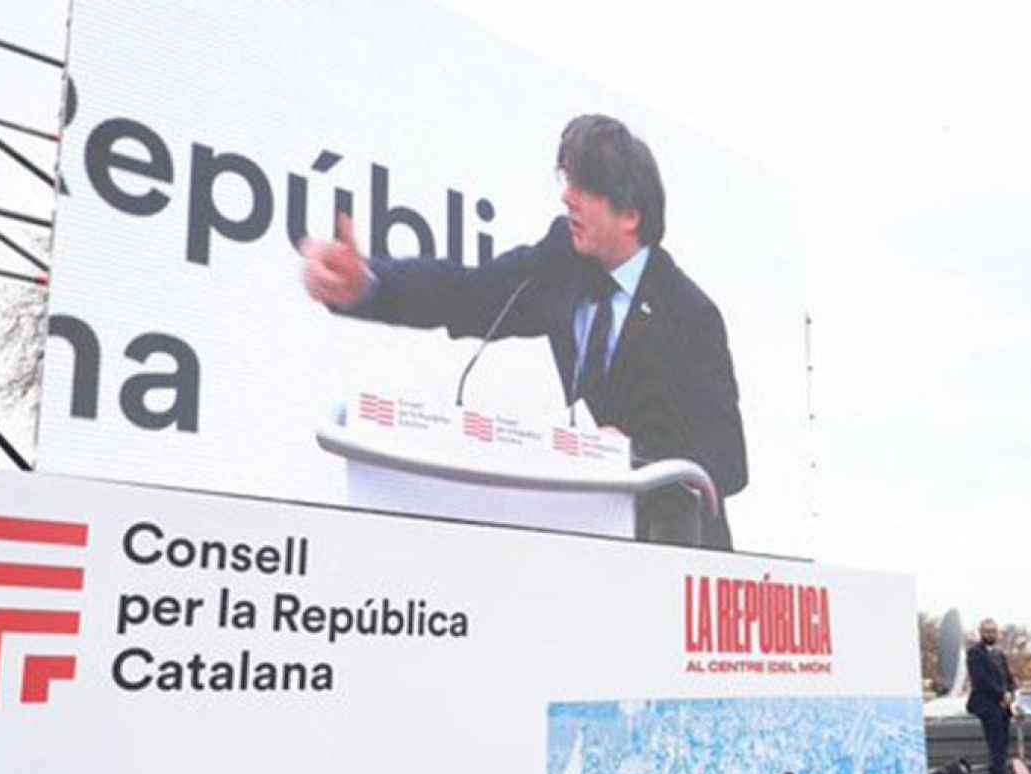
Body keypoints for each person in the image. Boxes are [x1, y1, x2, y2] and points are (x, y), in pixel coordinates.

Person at [300, 114, 747, 549]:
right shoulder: (562, 261)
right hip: (593, 542)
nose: (567, 198)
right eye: (566, 182)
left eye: (585, 188)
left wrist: (632, 455)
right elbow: (468, 293)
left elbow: (728, 460)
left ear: (629, 216)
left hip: (679, 556)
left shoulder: (690, 313)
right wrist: (368, 285)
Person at [965, 618, 1018, 774]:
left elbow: (1009, 678)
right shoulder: (974, 653)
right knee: (996, 746)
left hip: (1003, 706)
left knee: (1003, 746)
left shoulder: (999, 654)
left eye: (994, 631)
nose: (991, 635)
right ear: (981, 633)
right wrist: (1001, 694)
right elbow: (980, 680)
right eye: (987, 631)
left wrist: (1010, 693)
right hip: (987, 705)